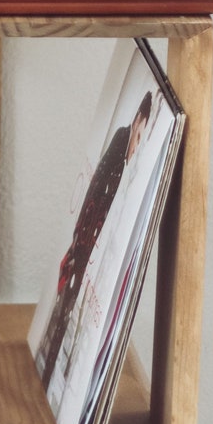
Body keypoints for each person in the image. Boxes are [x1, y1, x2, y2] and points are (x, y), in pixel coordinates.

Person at [36, 90, 153, 392]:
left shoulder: (128, 158)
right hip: (83, 245)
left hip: (88, 247)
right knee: (65, 303)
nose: (137, 145)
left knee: (69, 307)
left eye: (142, 139)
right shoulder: (121, 141)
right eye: (139, 136)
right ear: (137, 121)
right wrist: (82, 242)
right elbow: (95, 195)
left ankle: (51, 367)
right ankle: (48, 366)